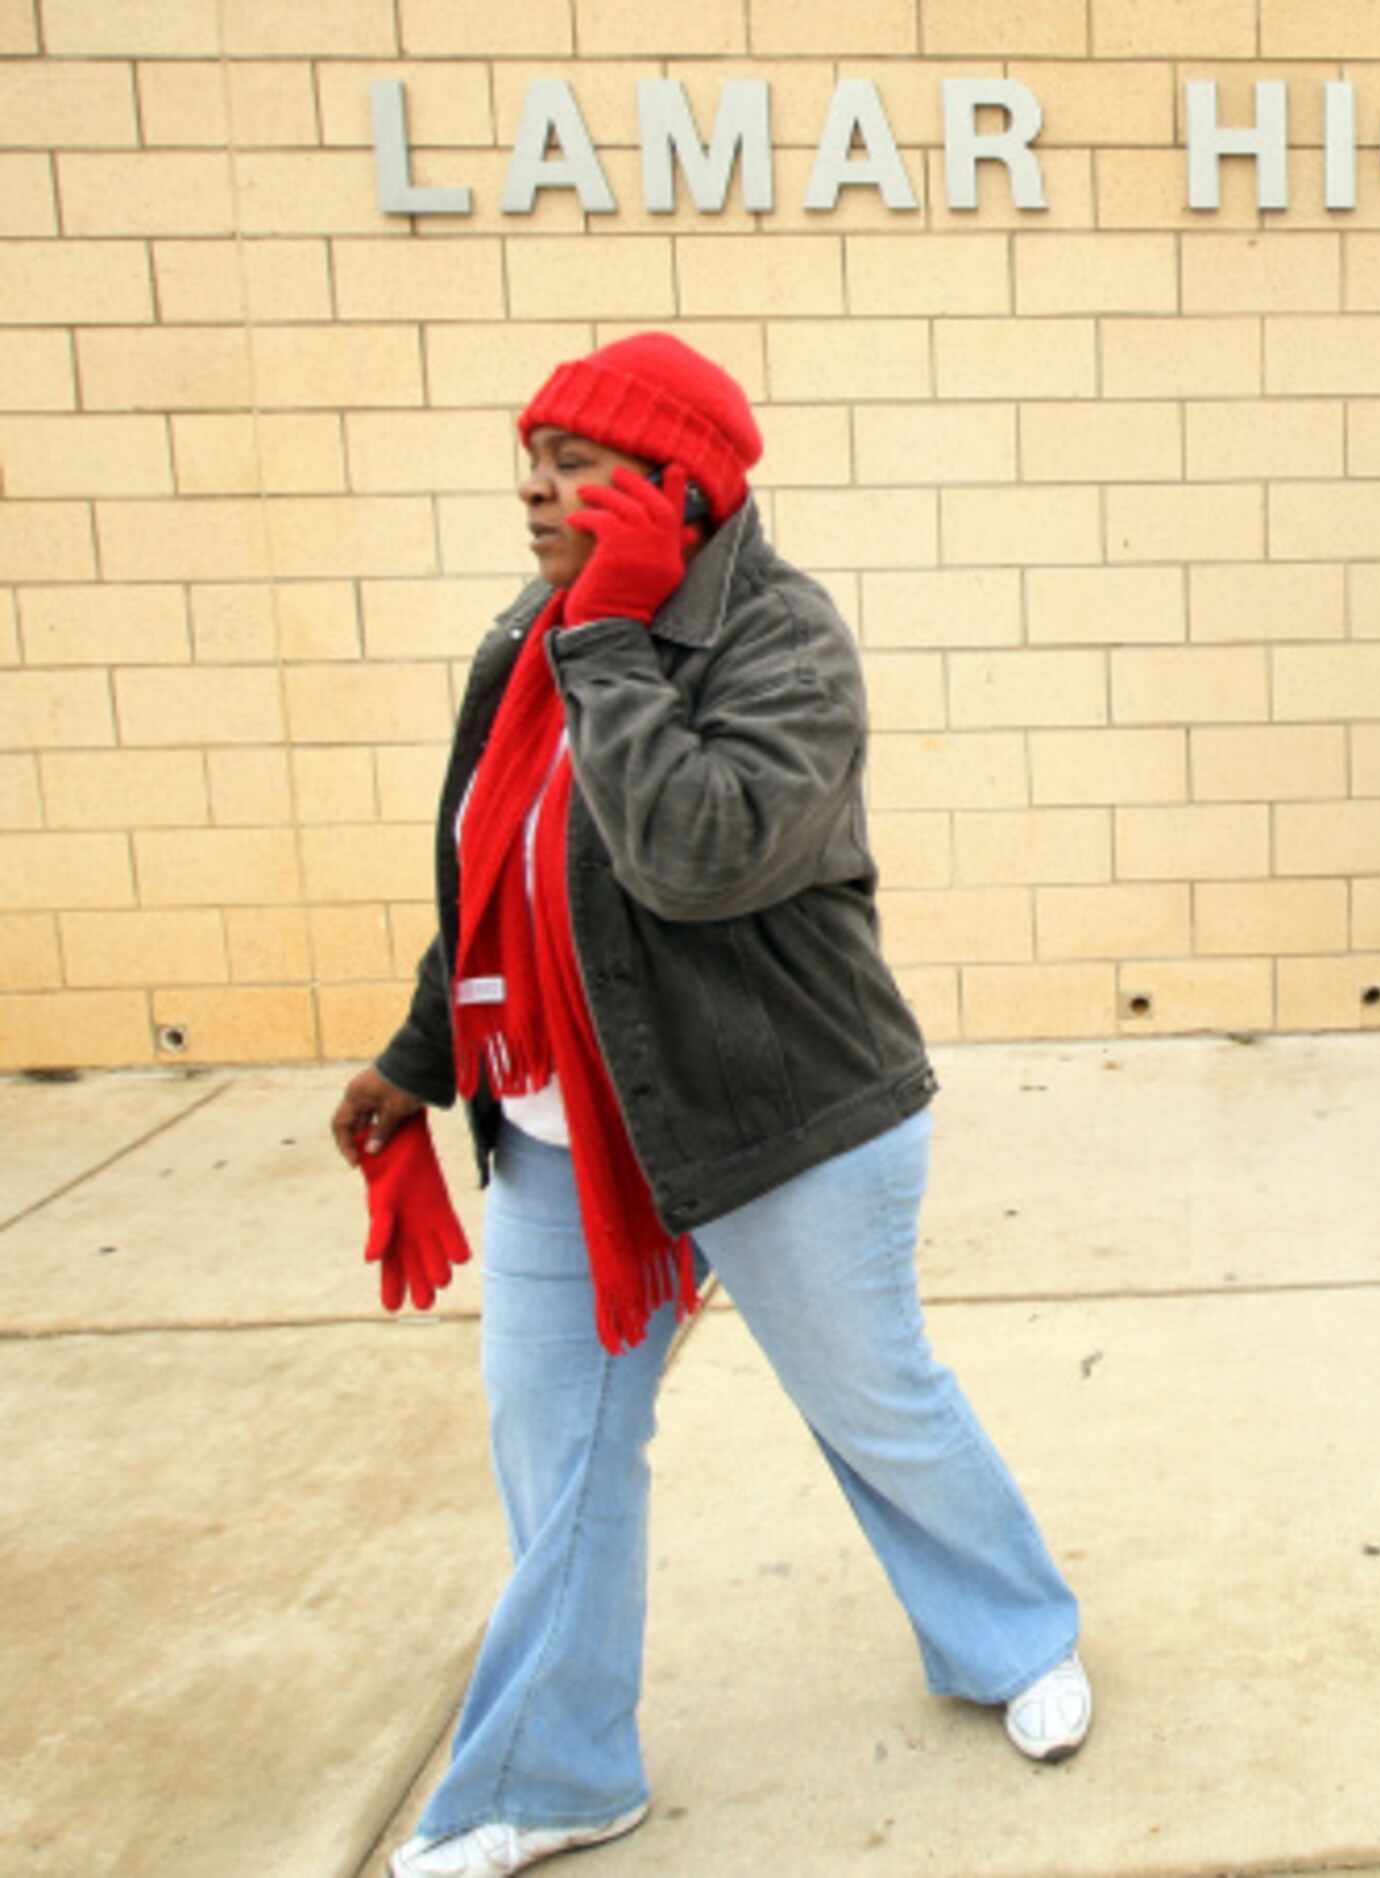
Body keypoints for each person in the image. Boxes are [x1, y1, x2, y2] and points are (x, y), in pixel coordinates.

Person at [328, 334, 1089, 1878]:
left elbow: (693, 855)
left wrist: (607, 646)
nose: (536, 490)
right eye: (525, 459)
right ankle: (550, 1777)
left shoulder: (779, 640)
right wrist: (421, 1057)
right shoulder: (529, 635)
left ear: (678, 487)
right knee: (559, 1455)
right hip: (566, 1138)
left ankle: (1014, 1636)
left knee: (873, 1403)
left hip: (785, 1112)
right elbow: (497, 871)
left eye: (575, 463)